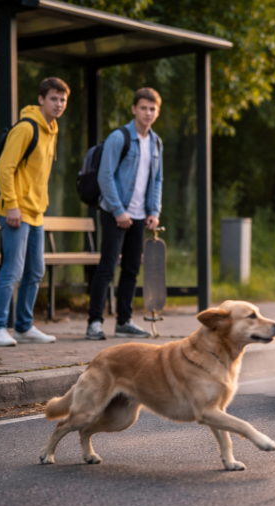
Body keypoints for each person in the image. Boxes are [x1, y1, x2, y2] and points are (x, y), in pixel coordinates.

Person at [0, 77, 69, 347]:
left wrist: (39, 207)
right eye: (54, 98)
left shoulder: (51, 129)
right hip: (16, 211)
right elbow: (4, 168)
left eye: (63, 99)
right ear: (41, 99)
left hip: (36, 212)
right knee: (13, 269)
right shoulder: (26, 128)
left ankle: (23, 326)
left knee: (36, 270)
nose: (59, 104)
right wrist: (11, 204)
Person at [86, 88, 163, 340]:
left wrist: (154, 211)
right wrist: (119, 211)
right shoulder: (119, 137)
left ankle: (124, 322)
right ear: (134, 109)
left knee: (131, 269)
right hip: (114, 213)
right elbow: (104, 176)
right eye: (143, 108)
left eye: (152, 109)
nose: (148, 113)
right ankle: (94, 323)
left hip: (139, 216)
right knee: (107, 267)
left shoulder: (156, 142)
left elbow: (158, 179)